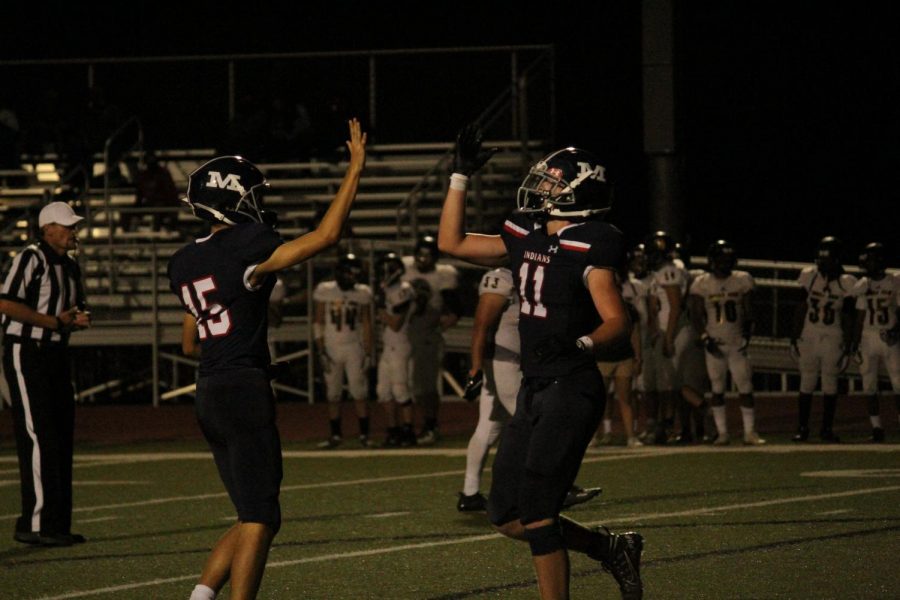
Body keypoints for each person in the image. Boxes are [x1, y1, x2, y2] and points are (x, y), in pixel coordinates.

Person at [438, 123, 643, 600]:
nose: (542, 187)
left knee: (538, 510)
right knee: (507, 515)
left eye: (553, 182)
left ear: (579, 191)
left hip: (572, 386)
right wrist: (458, 178)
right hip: (535, 386)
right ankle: (609, 547)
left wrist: (583, 345)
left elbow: (617, 321)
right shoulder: (526, 231)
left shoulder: (592, 241)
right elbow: (452, 244)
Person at [167, 119, 365, 600]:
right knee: (260, 516)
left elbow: (191, 340)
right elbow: (326, 236)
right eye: (249, 195)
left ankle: (201, 596)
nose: (256, 203)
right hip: (240, 389)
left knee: (251, 513)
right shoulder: (246, 245)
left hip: (210, 389)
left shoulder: (183, 261)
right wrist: (356, 166)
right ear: (231, 200)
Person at [0, 201, 92, 547]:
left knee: (60, 436)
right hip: (27, 352)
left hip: (55, 353)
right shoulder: (31, 257)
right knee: (38, 435)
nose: (72, 231)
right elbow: (6, 303)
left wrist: (75, 320)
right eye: (66, 226)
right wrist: (53, 322)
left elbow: (72, 309)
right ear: (47, 229)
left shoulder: (69, 265)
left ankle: (56, 523)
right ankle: (35, 523)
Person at [688, 240, 765, 445]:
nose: (725, 263)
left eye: (728, 259)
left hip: (736, 340)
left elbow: (749, 310)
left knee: (745, 386)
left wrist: (748, 333)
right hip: (715, 341)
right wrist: (705, 338)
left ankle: (750, 432)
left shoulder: (742, 279)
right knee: (717, 388)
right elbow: (695, 314)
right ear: (712, 260)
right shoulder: (702, 282)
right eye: (721, 259)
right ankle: (722, 433)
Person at [458, 267, 521, 511]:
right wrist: (475, 368)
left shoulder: (527, 270)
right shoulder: (502, 277)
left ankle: (470, 492)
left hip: (514, 360)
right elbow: (481, 326)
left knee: (489, 427)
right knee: (533, 422)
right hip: (503, 361)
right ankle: (551, 485)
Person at [790, 236, 857, 443]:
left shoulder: (847, 282)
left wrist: (848, 344)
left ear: (837, 259)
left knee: (830, 383)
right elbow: (800, 307)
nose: (821, 263)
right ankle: (803, 428)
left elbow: (848, 316)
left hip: (832, 335)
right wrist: (793, 337)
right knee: (807, 381)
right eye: (820, 259)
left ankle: (826, 429)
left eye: (826, 259)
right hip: (809, 334)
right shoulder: (809, 276)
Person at [402, 233, 461, 445]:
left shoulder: (443, 274)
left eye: (427, 255)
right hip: (400, 332)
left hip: (425, 331)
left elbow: (453, 311)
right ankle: (404, 428)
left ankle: (429, 425)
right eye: (419, 254)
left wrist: (434, 323)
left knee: (423, 385)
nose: (422, 259)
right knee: (398, 384)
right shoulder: (404, 267)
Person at [313, 252, 375, 449]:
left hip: (354, 347)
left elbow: (366, 323)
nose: (353, 278)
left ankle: (365, 435)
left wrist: (368, 351)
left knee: (359, 391)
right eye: (350, 274)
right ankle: (336, 435)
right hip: (332, 346)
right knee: (333, 393)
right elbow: (319, 321)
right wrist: (321, 349)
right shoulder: (325, 290)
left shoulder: (363, 292)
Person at [850, 242, 900, 442]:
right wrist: (854, 343)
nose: (866, 265)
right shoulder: (864, 284)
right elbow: (859, 316)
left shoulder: (895, 280)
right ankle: (876, 428)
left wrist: (895, 330)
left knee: (898, 383)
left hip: (889, 336)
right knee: (868, 384)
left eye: (870, 260)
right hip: (867, 337)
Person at [592, 264, 645, 448]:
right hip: (602, 357)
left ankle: (631, 436)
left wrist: (638, 357)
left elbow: (635, 334)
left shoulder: (628, 308)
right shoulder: (595, 306)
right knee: (598, 400)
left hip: (623, 357)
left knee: (625, 399)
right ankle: (594, 437)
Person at [374, 252, 417, 447]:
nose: (384, 273)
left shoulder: (403, 289)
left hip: (400, 344)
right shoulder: (387, 289)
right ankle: (393, 430)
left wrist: (381, 306)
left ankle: (408, 431)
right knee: (383, 391)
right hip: (387, 346)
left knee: (400, 389)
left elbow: (395, 324)